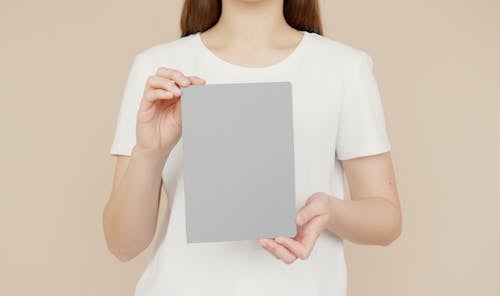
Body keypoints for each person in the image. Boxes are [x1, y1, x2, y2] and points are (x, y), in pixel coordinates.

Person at [102, 0, 402, 295]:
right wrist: (150, 154)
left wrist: (330, 212)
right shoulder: (158, 69)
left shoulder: (344, 67)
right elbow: (122, 244)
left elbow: (387, 220)